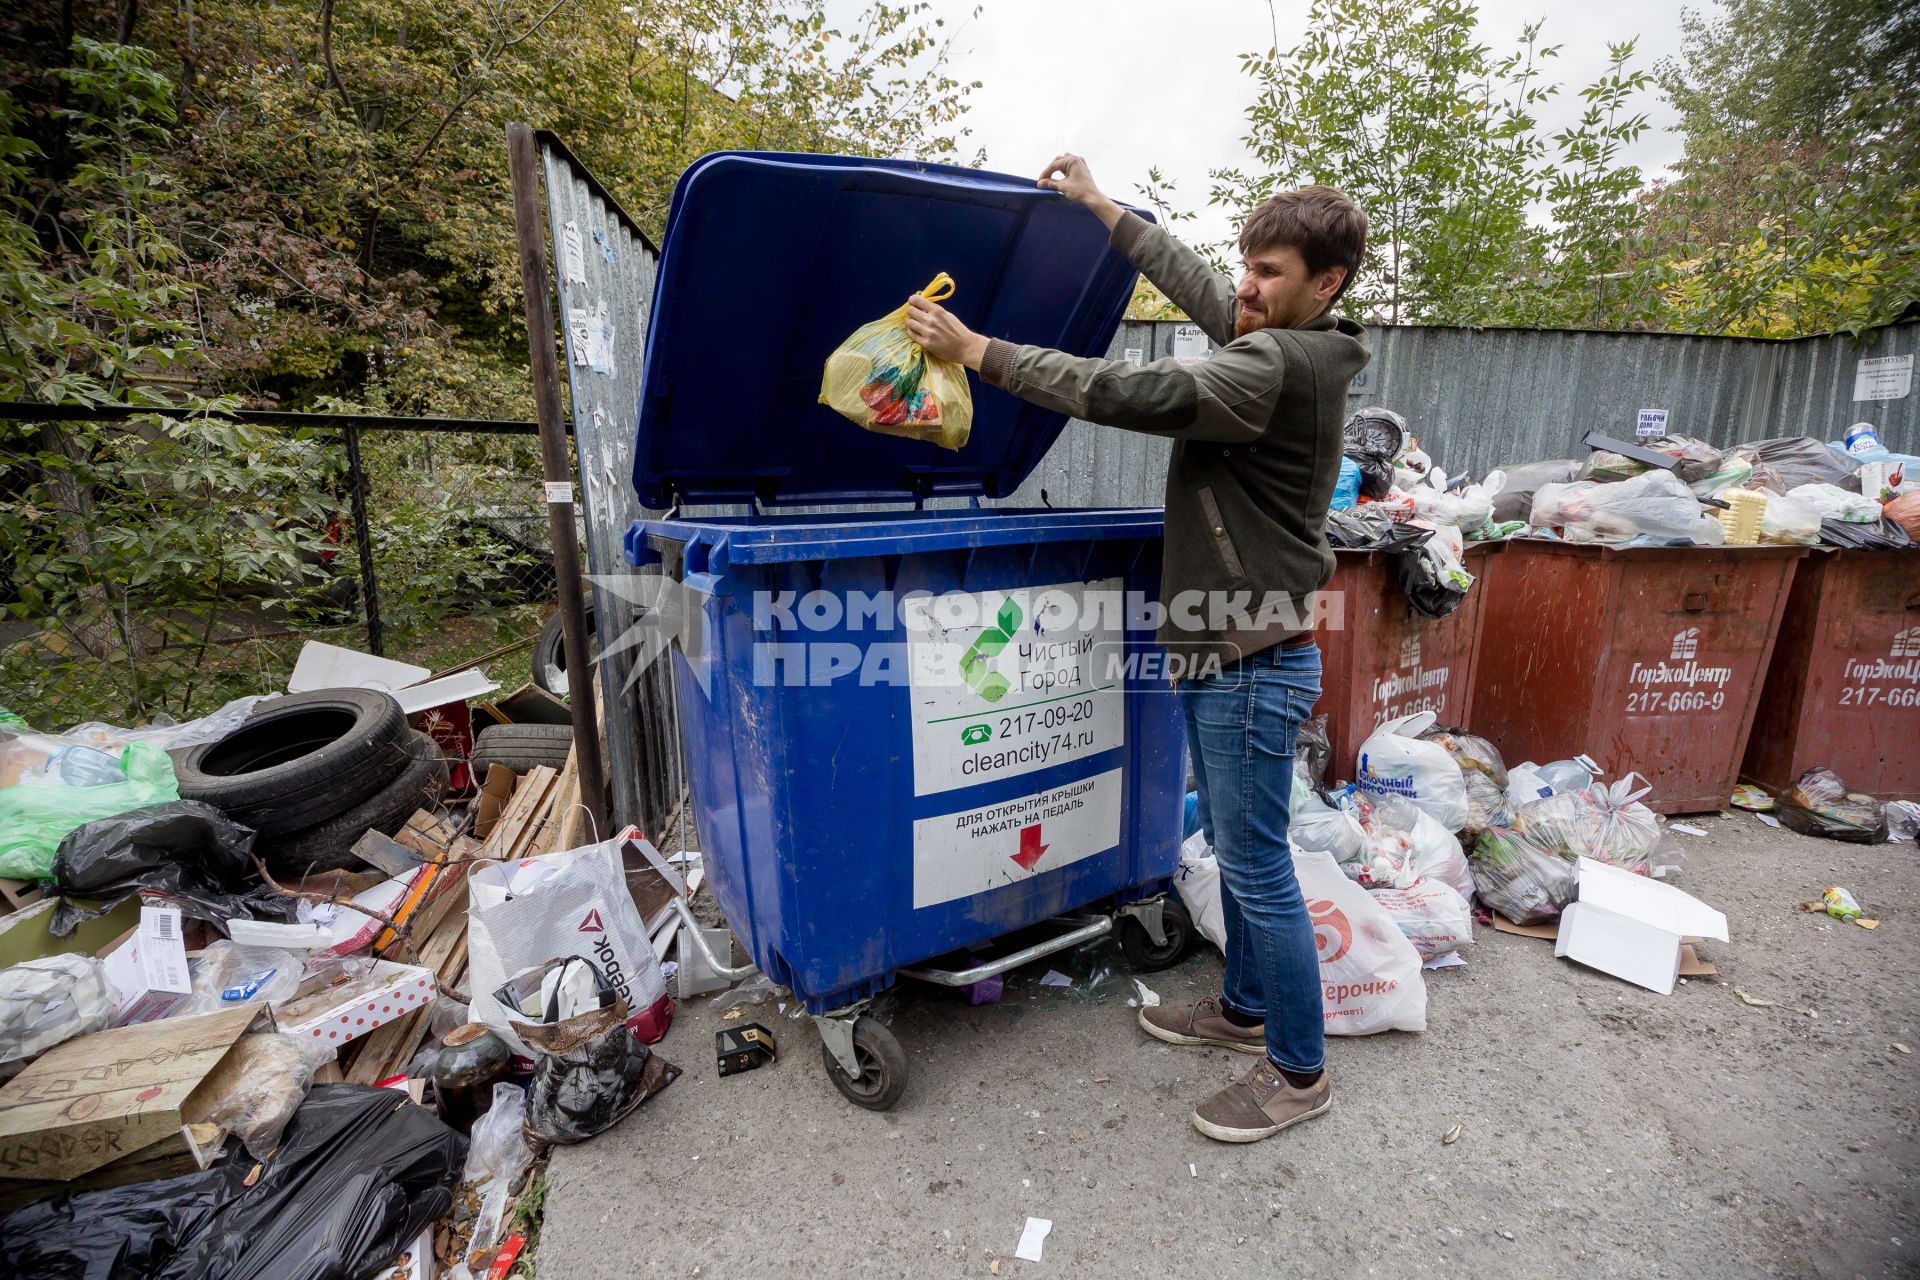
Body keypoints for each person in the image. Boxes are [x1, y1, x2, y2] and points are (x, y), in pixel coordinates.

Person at [905, 154, 1370, 1145]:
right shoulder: (1285, 338)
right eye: (1250, 263)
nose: (1248, 285)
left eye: (1273, 271)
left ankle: (1297, 1070)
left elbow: (1125, 389)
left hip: (1250, 659)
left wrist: (979, 349)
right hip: (1230, 648)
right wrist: (1100, 206)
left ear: (1326, 284)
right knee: (1247, 861)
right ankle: (1243, 1006)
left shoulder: (1271, 369)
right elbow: (1206, 288)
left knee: (1256, 866)